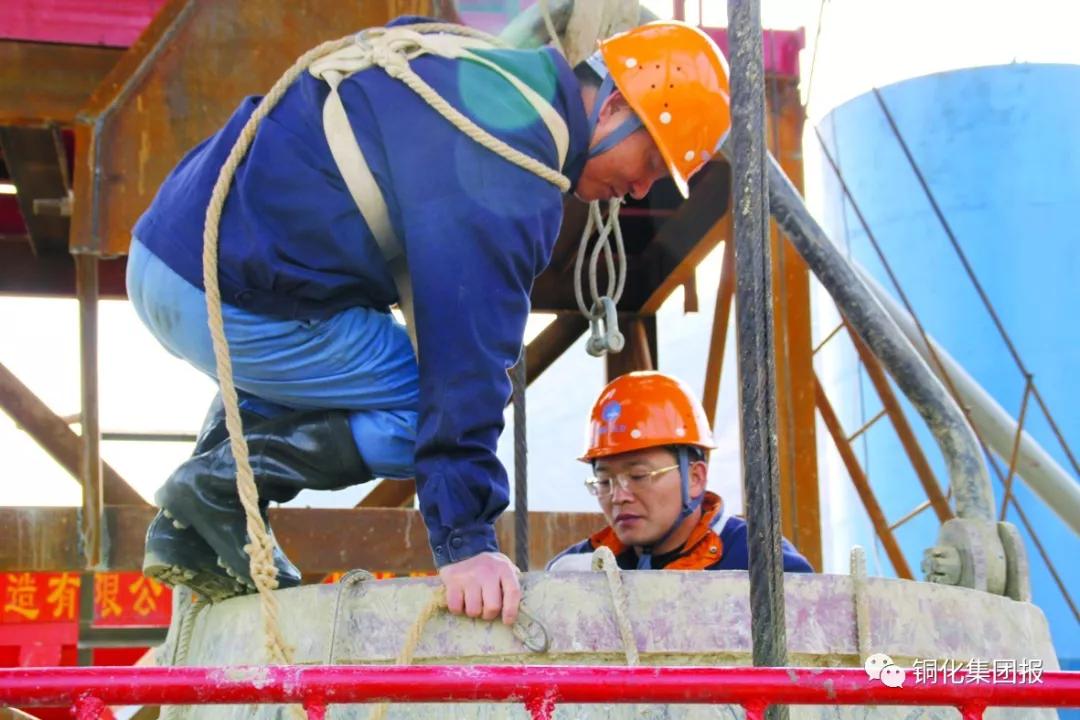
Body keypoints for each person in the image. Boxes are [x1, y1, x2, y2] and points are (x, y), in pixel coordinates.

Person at [126, 15, 733, 624]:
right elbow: (466, 362)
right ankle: (218, 490)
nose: (640, 189)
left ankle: (189, 529)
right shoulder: (513, 170)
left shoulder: (472, 65)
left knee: (346, 356)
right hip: (229, 298)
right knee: (426, 412)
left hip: (172, 248)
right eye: (652, 160)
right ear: (614, 107)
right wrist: (466, 542)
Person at [548, 372, 814, 572]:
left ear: (695, 478)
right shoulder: (577, 568)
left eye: (639, 476)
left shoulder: (759, 562)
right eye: (604, 481)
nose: (618, 497)